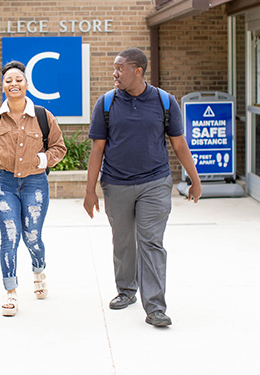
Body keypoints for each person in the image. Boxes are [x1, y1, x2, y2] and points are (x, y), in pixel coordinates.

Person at [83, 47, 201, 327]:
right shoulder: (106, 103)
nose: (115, 73)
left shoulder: (165, 101)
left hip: (155, 183)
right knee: (123, 241)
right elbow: (97, 149)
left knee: (151, 242)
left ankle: (156, 307)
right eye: (114, 67)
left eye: (120, 68)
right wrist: (90, 191)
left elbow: (179, 143)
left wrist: (194, 179)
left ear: (138, 71)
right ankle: (126, 291)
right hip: (116, 183)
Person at [0, 61, 67, 316]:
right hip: (4, 183)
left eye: (18, 80)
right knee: (10, 236)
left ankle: (38, 270)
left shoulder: (43, 116)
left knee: (33, 237)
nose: (13, 84)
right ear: (3, 86)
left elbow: (59, 147)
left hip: (35, 183)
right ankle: (11, 292)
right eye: (8, 80)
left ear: (26, 84)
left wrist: (41, 160)